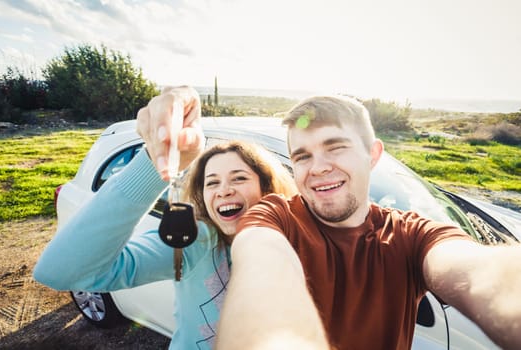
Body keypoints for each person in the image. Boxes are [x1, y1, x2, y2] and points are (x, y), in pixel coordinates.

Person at [214, 94, 521, 350]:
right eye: (302, 156)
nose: (318, 168)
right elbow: (260, 262)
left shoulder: (411, 235)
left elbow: (480, 272)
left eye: (335, 147)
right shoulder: (275, 216)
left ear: (372, 155)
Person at [33, 87, 325, 349]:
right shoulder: (195, 243)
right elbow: (58, 272)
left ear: (266, 188)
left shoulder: (305, 241)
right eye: (211, 182)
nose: (224, 190)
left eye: (238, 178)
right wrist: (154, 163)